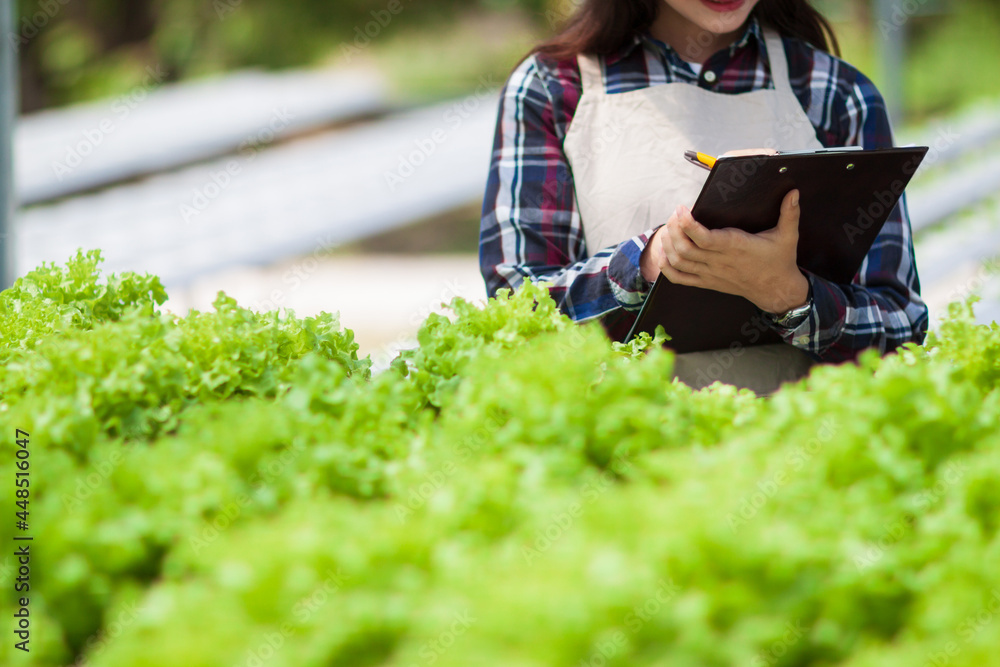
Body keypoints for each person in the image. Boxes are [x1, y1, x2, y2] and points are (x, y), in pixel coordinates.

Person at [478, 0, 929, 395]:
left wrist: (789, 294)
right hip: (619, 456)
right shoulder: (551, 88)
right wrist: (647, 263)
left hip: (802, 458)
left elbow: (901, 326)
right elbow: (517, 314)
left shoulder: (835, 94)